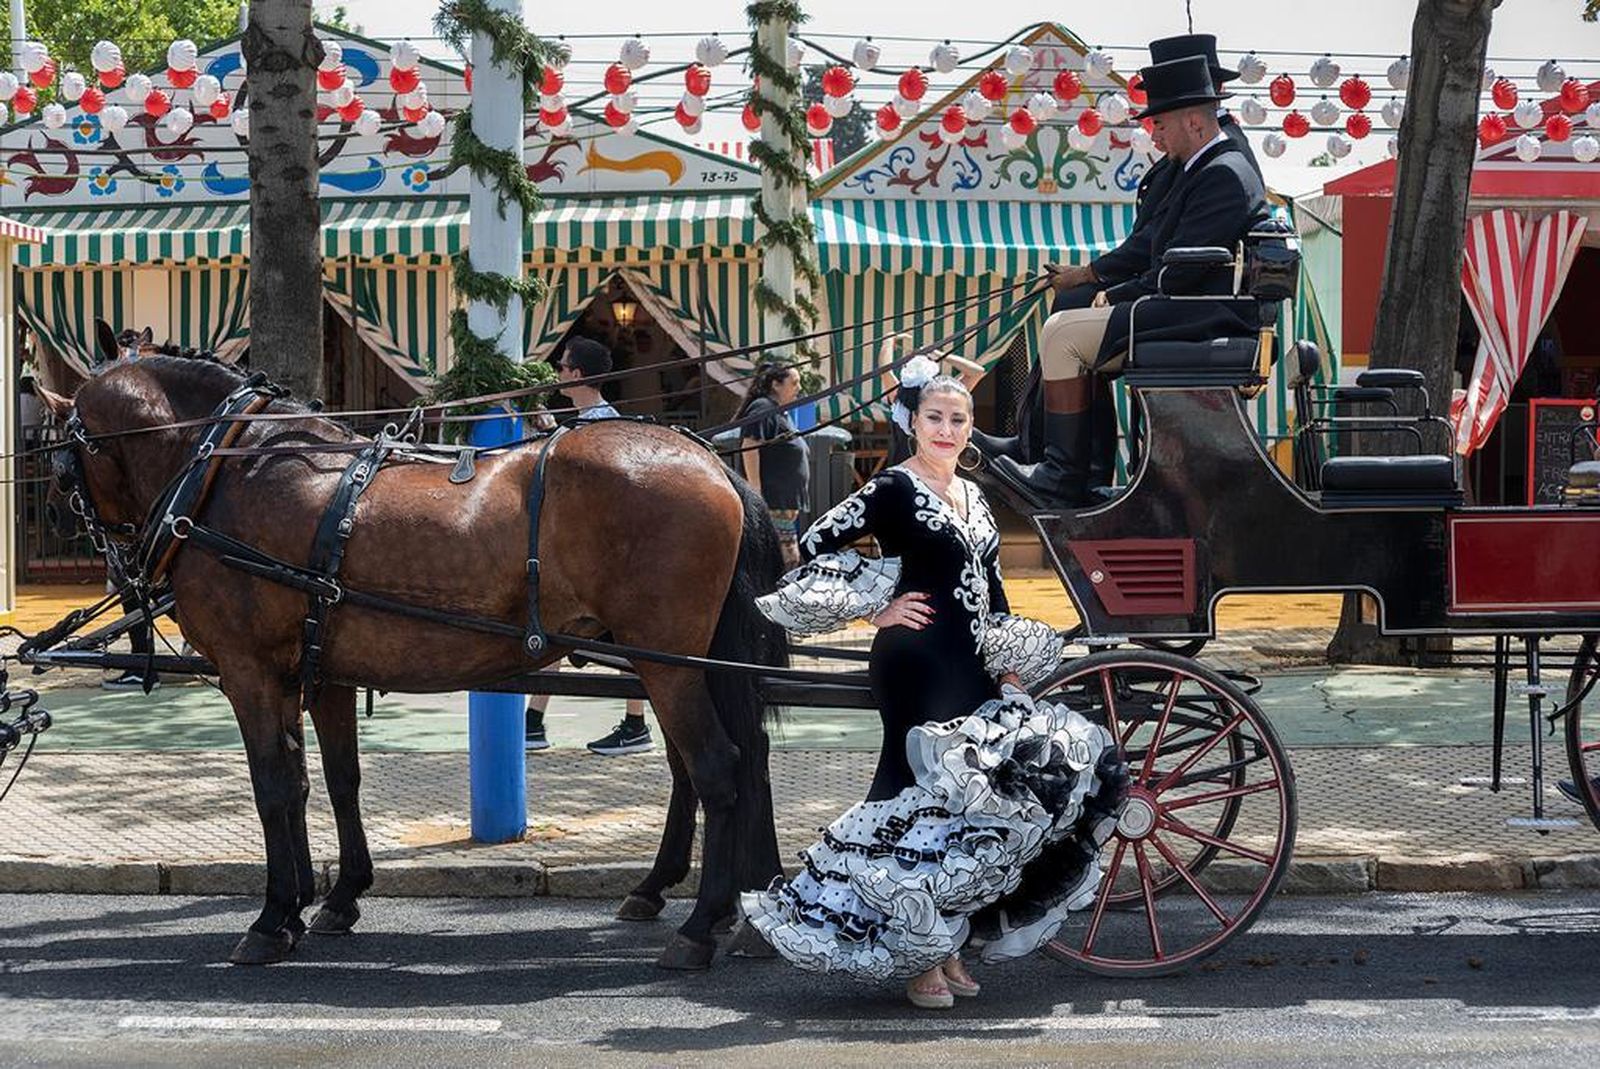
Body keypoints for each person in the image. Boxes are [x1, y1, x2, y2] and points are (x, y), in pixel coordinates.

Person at [739, 360, 1127, 1009]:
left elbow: (994, 589)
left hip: (973, 660)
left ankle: (941, 946)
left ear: (968, 427)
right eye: (935, 417)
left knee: (964, 810)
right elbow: (813, 539)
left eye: (958, 418)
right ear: (914, 423)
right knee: (913, 803)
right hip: (914, 657)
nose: (946, 428)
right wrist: (874, 606)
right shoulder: (893, 486)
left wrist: (1007, 666)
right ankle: (920, 961)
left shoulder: (974, 496)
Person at [982, 54, 1270, 508]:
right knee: (1070, 320)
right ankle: (1069, 465)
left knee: (1062, 335)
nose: (1154, 135)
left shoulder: (1221, 174)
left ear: (1194, 122)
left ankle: (1062, 475)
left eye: (1161, 124)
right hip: (1191, 303)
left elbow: (1181, 267)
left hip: (1201, 311)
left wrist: (1115, 294)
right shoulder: (1211, 167)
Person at [525, 335, 652, 756]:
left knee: (624, 638)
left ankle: (635, 725)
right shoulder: (589, 421)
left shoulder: (596, 425)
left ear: (577, 374)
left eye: (562, 366)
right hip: (593, 548)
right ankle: (534, 721)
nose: (558, 371)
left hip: (598, 550)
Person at [736, 364, 811, 570]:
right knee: (785, 560)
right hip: (770, 501)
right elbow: (750, 445)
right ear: (776, 384)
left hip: (781, 505)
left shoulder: (778, 411)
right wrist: (756, 490)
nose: (799, 387)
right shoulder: (763, 407)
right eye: (794, 383)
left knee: (783, 558)